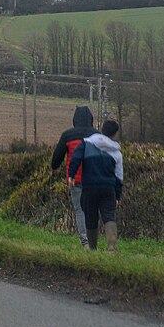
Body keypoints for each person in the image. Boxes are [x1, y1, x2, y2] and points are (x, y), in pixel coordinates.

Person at [67, 120, 123, 252]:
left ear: (101, 129)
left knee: (91, 217)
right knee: (109, 216)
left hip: (89, 187)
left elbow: (75, 157)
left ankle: (92, 249)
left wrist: (72, 175)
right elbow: (119, 177)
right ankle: (111, 248)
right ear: (115, 134)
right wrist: (117, 195)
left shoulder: (86, 143)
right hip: (108, 188)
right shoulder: (117, 152)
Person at [50, 106, 97, 250]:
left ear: (75, 119)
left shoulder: (68, 135)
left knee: (80, 210)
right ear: (90, 119)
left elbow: (56, 158)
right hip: (95, 179)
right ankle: (94, 241)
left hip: (75, 180)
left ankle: (86, 242)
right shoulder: (97, 134)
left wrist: (54, 167)